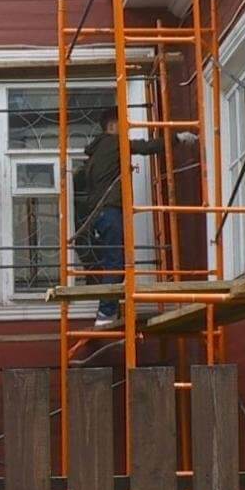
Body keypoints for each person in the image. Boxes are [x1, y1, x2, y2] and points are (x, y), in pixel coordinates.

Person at [71, 107, 197, 329]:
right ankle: (105, 313)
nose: (126, 129)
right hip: (109, 212)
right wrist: (177, 138)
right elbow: (144, 147)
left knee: (112, 261)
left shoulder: (96, 154)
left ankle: (107, 310)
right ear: (112, 126)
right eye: (123, 124)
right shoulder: (112, 143)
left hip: (99, 215)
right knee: (116, 263)